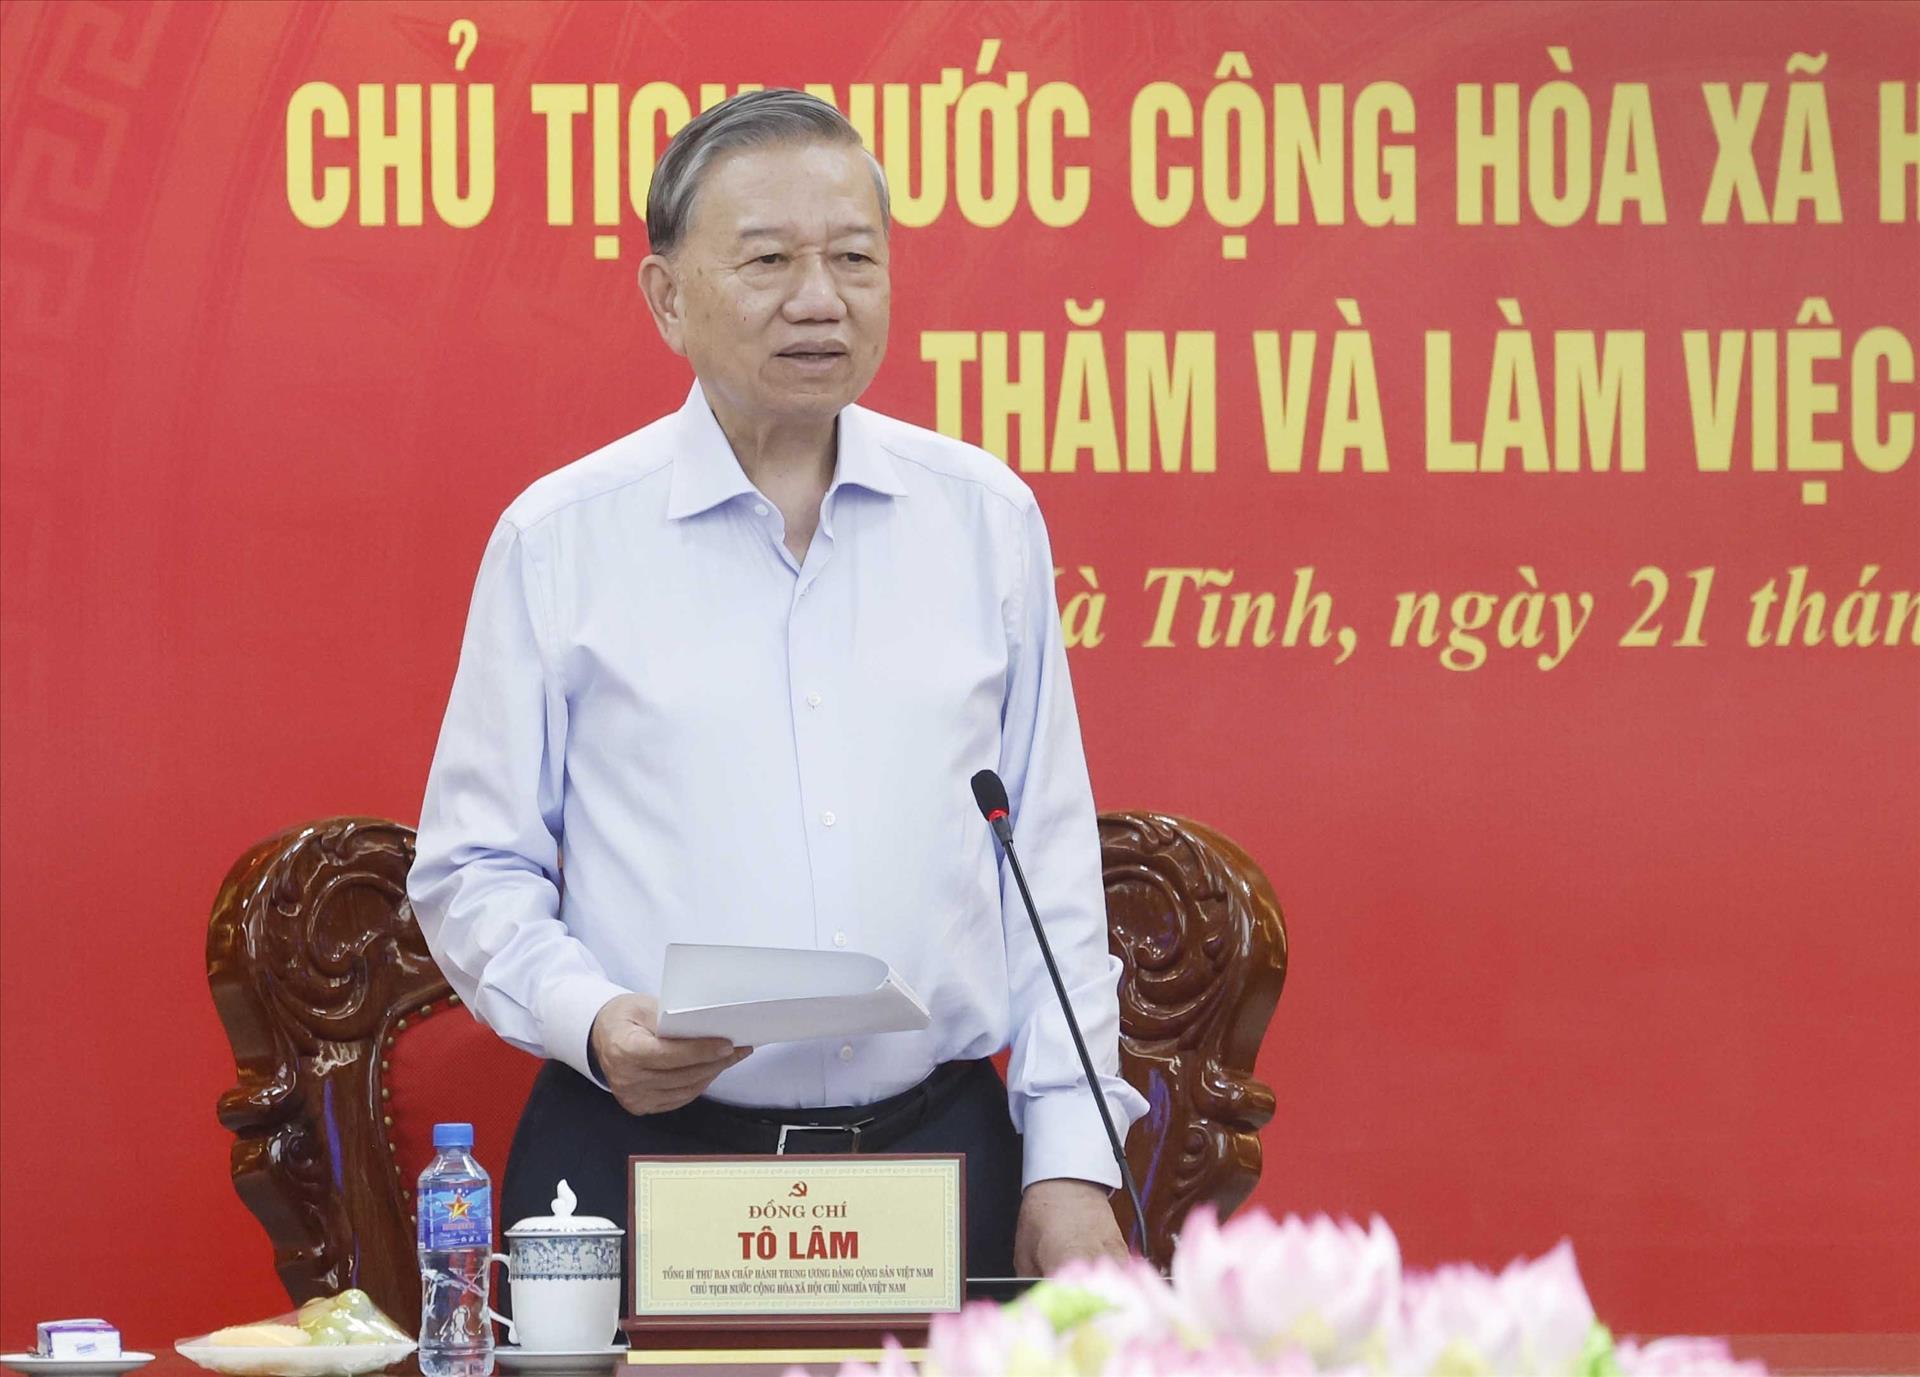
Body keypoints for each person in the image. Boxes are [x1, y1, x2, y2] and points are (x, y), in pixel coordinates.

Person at [407, 89, 1145, 1283]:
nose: (820, 298)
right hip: (642, 1159)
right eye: (768, 261)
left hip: (939, 1161)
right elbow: (472, 868)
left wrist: (1070, 1164)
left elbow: (1049, 870)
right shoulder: (563, 538)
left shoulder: (983, 521)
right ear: (666, 297)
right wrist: (590, 1019)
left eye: (854, 257)